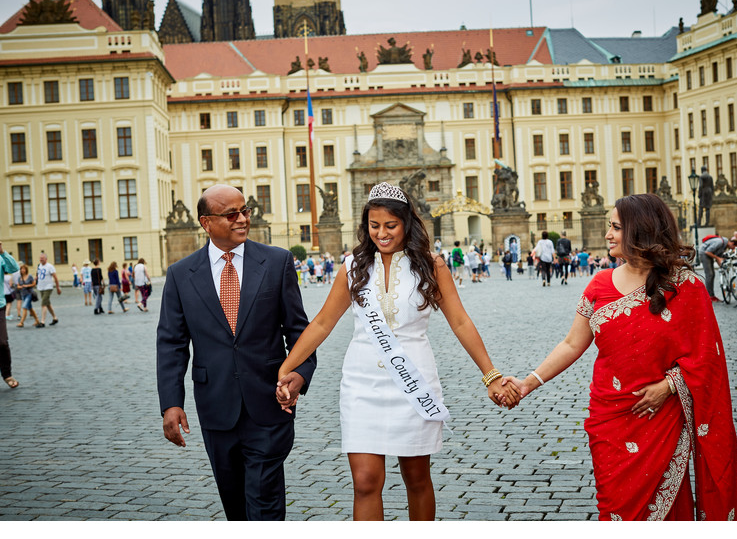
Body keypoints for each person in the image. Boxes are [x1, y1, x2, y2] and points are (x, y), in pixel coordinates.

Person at [275, 182, 518, 521]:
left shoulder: (431, 266)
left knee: (416, 479)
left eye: (390, 225)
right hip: (361, 384)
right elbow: (321, 323)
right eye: (374, 226)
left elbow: (460, 322)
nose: (382, 233)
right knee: (364, 482)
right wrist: (285, 368)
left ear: (406, 223)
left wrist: (490, 374)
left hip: (414, 382)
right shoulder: (352, 267)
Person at [502, 193, 737, 521]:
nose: (607, 234)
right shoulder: (599, 285)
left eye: (616, 227)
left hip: (660, 420)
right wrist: (526, 384)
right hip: (610, 420)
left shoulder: (685, 286)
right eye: (609, 226)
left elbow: (707, 358)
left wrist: (670, 386)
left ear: (640, 230)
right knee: (614, 510)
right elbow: (572, 344)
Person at [157, 184, 316, 521]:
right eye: (232, 215)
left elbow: (299, 332)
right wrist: (171, 403)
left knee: (264, 500)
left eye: (245, 211)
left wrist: (300, 374)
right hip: (216, 407)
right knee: (234, 505)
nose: (243, 219)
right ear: (206, 222)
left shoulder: (277, 262)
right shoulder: (181, 275)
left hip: (270, 403)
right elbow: (171, 343)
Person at [1, 242, 20, 388]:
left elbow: (14, 268)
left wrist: (3, 252)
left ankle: (7, 374)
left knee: (2, 342)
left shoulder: (1, 258)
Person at [698, 235, 737, 302]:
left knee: (712, 274)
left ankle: (711, 295)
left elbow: (718, 258)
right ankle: (710, 296)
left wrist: (722, 267)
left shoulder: (724, 246)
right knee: (710, 274)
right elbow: (707, 252)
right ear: (732, 243)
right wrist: (718, 258)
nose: (732, 249)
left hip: (707, 253)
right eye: (733, 248)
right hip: (704, 253)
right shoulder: (720, 242)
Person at [36, 252, 60, 325]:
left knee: (43, 303)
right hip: (41, 287)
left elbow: (55, 277)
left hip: (48, 287)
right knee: (47, 303)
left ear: (46, 259)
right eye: (40, 259)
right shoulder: (39, 266)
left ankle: (42, 321)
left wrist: (58, 287)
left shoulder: (50, 266)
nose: (41, 260)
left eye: (42, 259)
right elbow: (37, 274)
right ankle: (55, 318)